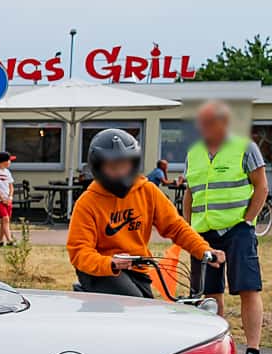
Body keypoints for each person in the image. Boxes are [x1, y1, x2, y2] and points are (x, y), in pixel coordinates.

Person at [71, 128, 223, 298]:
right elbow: (79, 251)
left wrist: (203, 250)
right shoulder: (88, 203)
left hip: (138, 269)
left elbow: (176, 226)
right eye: (113, 167)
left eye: (125, 165)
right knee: (135, 305)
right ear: (98, 167)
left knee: (147, 311)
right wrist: (110, 263)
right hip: (101, 272)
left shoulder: (147, 191)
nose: (120, 172)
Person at [183, 99, 269, 354]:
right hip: (203, 231)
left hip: (237, 229)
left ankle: (253, 353)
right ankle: (215, 351)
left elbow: (261, 187)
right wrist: (187, 228)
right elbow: (190, 192)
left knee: (248, 288)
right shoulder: (194, 152)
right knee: (209, 292)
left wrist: (247, 221)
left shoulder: (246, 148)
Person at [0, 151, 16, 246]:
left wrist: (10, 197)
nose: (10, 163)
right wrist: (1, 197)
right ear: (4, 161)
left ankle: (1, 240)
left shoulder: (7, 172)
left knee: (5, 220)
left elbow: (11, 187)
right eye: (9, 160)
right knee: (5, 218)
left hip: (7, 199)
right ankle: (9, 240)